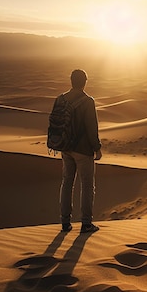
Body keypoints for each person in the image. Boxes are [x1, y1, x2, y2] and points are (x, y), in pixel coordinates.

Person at [57, 69, 102, 233]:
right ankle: (86, 223)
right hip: (82, 150)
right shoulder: (87, 101)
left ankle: (65, 222)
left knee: (67, 183)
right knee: (87, 186)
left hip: (65, 149)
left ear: (71, 81)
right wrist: (97, 148)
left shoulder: (61, 99)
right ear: (85, 82)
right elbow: (92, 127)